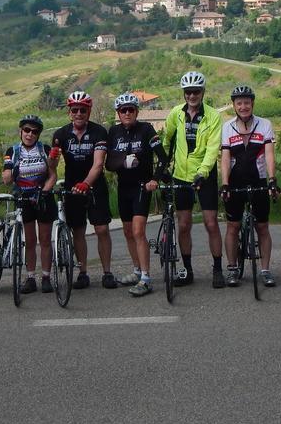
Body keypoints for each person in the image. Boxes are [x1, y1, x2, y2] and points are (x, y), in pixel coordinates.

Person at [162, 71, 225, 288]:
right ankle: (187, 270)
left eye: (196, 91)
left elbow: (212, 148)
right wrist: (162, 164)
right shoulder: (175, 114)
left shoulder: (213, 116)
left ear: (203, 92)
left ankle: (217, 269)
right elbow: (167, 141)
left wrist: (203, 171)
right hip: (181, 174)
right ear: (183, 94)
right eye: (188, 92)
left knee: (210, 223)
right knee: (184, 225)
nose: (191, 96)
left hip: (204, 175)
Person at [51, 91, 115, 289]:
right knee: (77, 230)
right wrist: (52, 157)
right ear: (69, 112)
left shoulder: (99, 132)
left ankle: (107, 272)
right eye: (75, 110)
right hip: (72, 187)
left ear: (89, 111)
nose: (79, 113)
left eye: (83, 110)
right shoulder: (60, 134)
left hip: (94, 186)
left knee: (101, 229)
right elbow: (51, 167)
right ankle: (83, 273)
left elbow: (98, 164)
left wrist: (86, 183)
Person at [220, 85, 279, 288]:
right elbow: (225, 158)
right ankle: (232, 269)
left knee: (262, 226)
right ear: (234, 105)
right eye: (239, 103)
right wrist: (225, 184)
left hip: (259, 180)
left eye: (246, 102)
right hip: (235, 182)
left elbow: (270, 154)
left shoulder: (265, 125)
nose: (243, 106)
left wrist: (272, 179)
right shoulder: (227, 127)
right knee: (232, 226)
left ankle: (265, 270)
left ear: (252, 103)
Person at [106, 93, 159, 297]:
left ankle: (146, 278)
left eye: (131, 110)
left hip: (141, 187)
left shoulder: (146, 129)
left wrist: (155, 179)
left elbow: (162, 158)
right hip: (123, 188)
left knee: (138, 232)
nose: (127, 113)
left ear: (137, 111)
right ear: (118, 113)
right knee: (128, 232)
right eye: (123, 110)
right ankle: (137, 271)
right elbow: (109, 163)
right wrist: (123, 162)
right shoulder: (114, 132)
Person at [2, 115, 57, 294]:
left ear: (39, 134)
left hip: (42, 196)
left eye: (34, 131)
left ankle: (47, 277)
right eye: (27, 130)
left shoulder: (44, 149)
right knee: (30, 240)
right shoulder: (13, 150)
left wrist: (45, 191)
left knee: (45, 240)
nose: (30, 134)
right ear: (21, 131)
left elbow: (53, 175)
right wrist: (10, 172)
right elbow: (6, 179)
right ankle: (31, 277)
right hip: (23, 198)